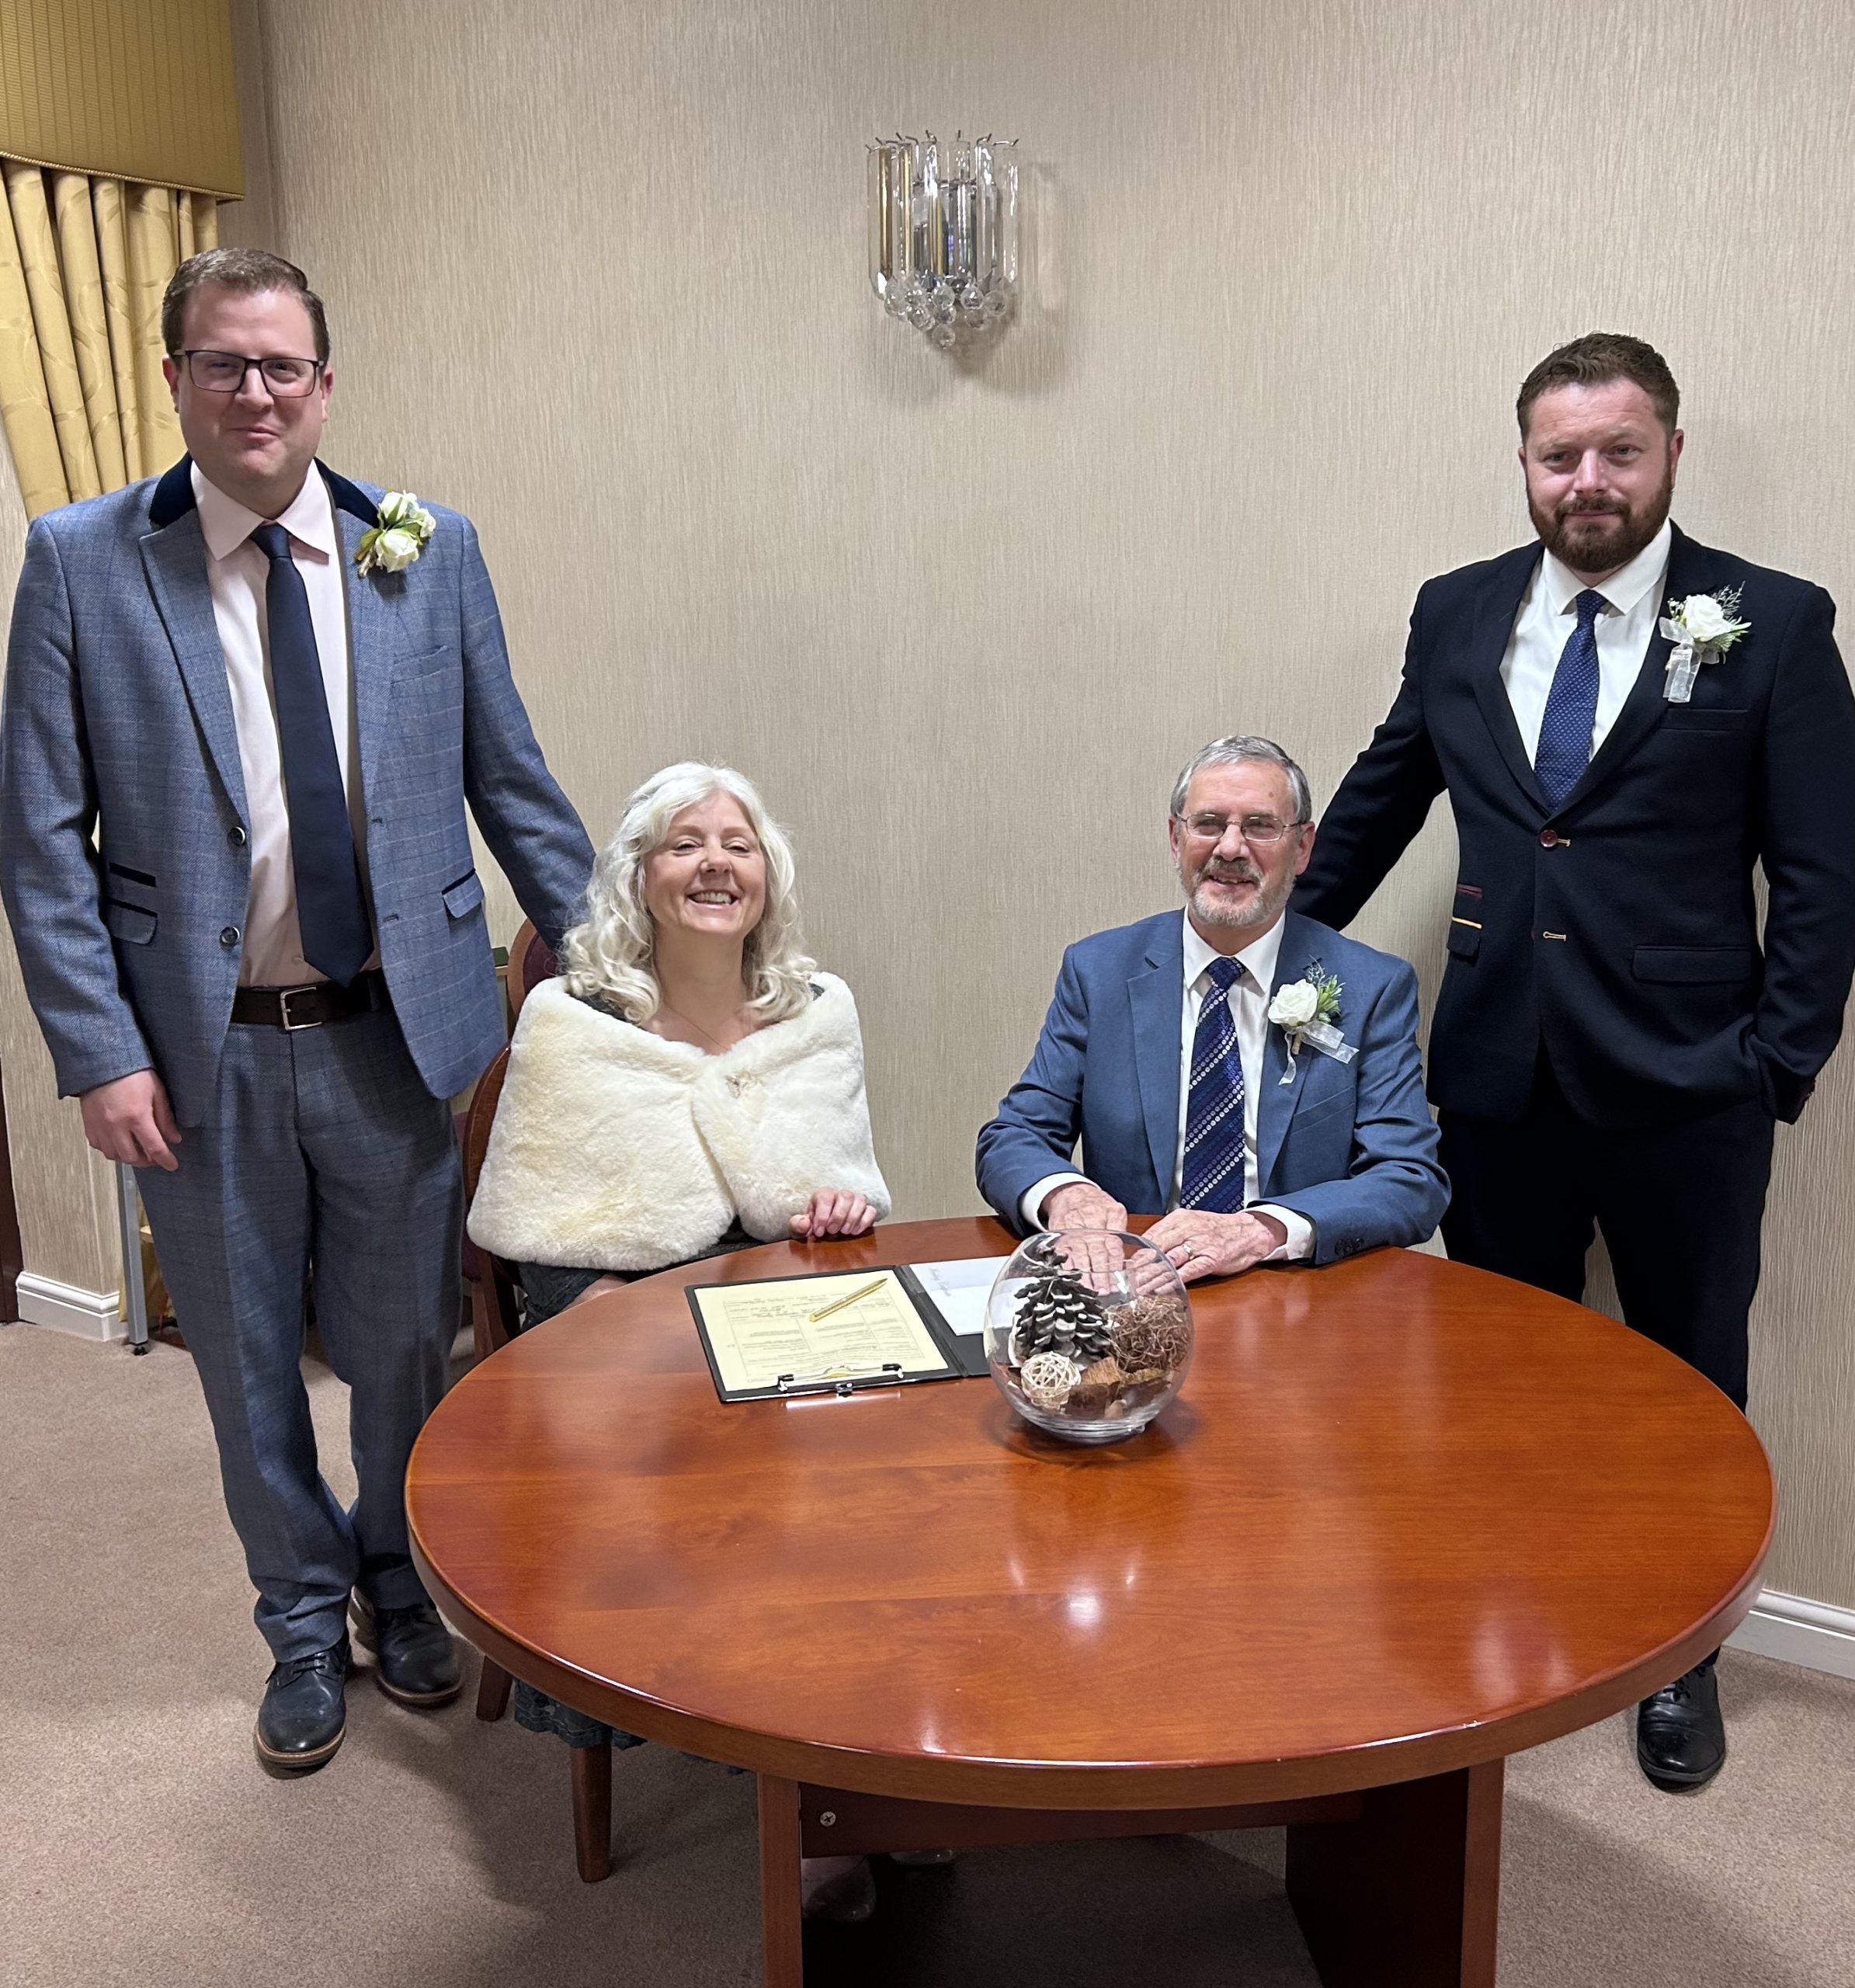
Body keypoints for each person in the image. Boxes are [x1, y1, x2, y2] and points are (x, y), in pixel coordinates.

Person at [0, 248, 595, 1775]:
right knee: (248, 1358)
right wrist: (100, 1051)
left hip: (397, 1033)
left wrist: (620, 964)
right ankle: (297, 1616)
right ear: (175, 379)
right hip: (198, 1058)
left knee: (399, 1346)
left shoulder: (426, 550)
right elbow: (41, 838)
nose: (254, 392)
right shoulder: (81, 560)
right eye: (223, 363)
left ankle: (396, 1577)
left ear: (324, 385)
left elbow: (509, 777)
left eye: (282, 366)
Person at [1292, 332, 1855, 1794]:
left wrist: (1774, 1062)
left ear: (1670, 453)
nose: (1587, 480)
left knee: (1687, 1379)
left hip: (1691, 1084)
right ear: (1525, 464)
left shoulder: (1773, 623)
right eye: (1559, 456)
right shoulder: (1457, 609)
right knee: (1499, 1373)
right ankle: (1514, 1612)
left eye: (1618, 451)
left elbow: (1821, 871)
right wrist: (1271, 952)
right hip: (1493, 1074)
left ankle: (1679, 1657)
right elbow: (1382, 796)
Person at [467, 759, 894, 1920]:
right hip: (613, 1326)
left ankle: (869, 1760)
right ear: (639, 876)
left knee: (899, 1471)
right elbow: (544, 1236)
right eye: (684, 843)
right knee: (712, 1484)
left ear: (768, 875)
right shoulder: (574, 1022)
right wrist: (632, 1312)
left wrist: (831, 1207)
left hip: (776, 1309)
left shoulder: (817, 1012)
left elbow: (836, 1192)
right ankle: (791, 1782)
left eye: (737, 844)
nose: (714, 864)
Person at [976, 735, 1449, 1277]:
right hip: (1135, 1280)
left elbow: (1409, 1179)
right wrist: (1065, 1194)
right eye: (1208, 824)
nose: (1230, 848)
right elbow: (1014, 1137)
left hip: (1293, 1288)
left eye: (1260, 826)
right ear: (1175, 838)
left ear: (1302, 848)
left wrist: (1262, 1230)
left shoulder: (1372, 986)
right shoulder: (1099, 971)